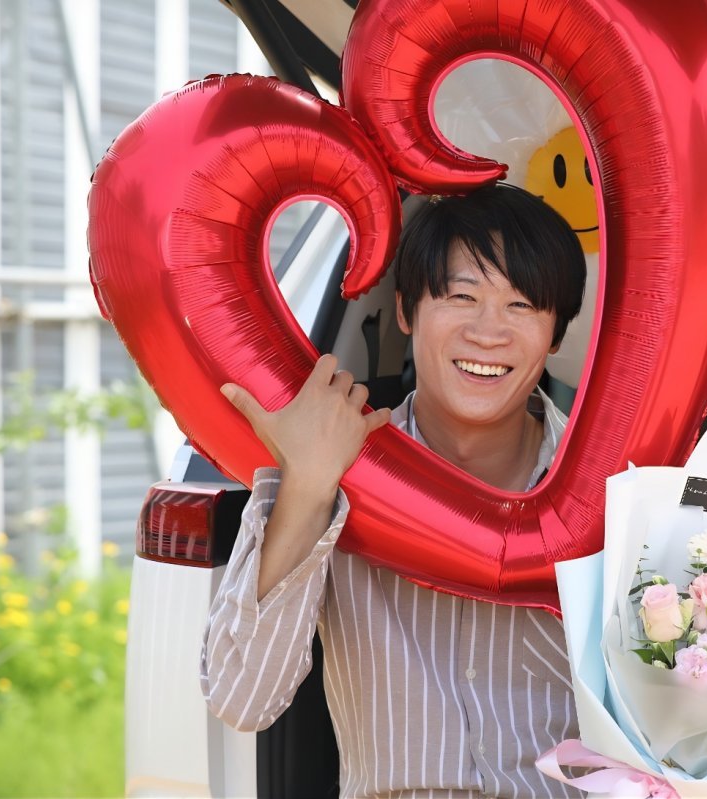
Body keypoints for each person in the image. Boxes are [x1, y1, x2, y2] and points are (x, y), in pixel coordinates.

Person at [201, 184, 588, 798]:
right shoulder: (336, 466)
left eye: (522, 305)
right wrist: (308, 485)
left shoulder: (608, 489)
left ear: (557, 334)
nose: (489, 332)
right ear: (407, 310)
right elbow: (240, 698)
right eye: (462, 296)